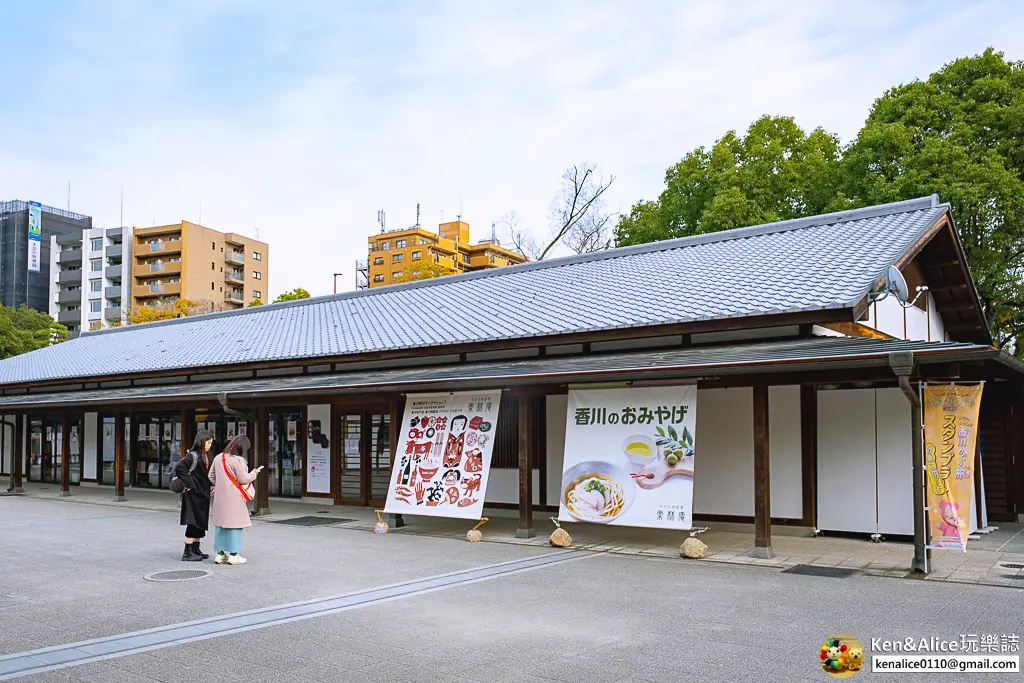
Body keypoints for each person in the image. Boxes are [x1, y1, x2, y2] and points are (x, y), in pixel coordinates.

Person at [208, 435, 263, 565]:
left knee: (221, 524)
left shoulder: (218, 457)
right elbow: (243, 479)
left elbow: (211, 475)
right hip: (234, 497)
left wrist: (221, 485)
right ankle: (233, 555)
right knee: (235, 525)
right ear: (241, 447)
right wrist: (254, 473)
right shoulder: (238, 460)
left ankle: (220, 554)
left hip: (220, 497)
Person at [176, 429, 215, 562]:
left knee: (201, 521)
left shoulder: (207, 455)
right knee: (193, 521)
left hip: (203, 494)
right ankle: (187, 551)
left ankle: (196, 548)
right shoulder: (192, 456)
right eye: (208, 443)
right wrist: (191, 484)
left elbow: (208, 473)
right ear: (201, 442)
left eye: (210, 443)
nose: (210, 446)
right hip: (193, 494)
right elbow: (179, 468)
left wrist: (211, 484)